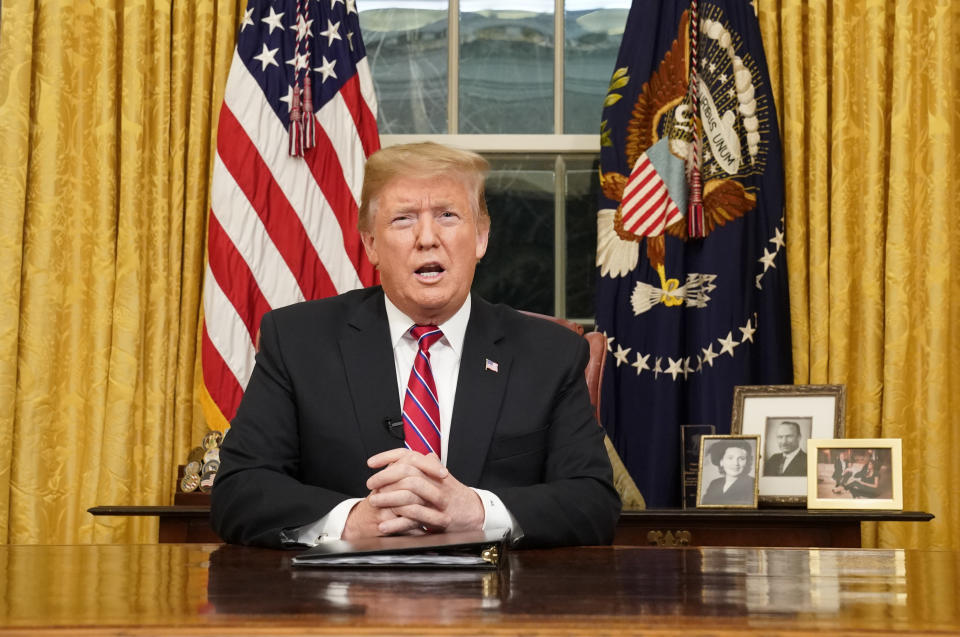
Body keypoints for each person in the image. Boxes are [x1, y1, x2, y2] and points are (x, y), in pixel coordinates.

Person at [210, 142, 621, 549]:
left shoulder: (549, 354)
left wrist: (477, 511)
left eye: (447, 215)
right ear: (371, 244)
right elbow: (239, 490)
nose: (427, 238)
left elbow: (593, 501)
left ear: (480, 238)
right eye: (404, 219)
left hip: (496, 605)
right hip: (339, 605)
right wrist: (351, 521)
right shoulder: (298, 341)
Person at [700, 439, 756, 505]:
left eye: (741, 458)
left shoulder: (752, 484)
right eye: (730, 458)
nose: (736, 463)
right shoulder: (715, 484)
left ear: (747, 462)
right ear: (721, 462)